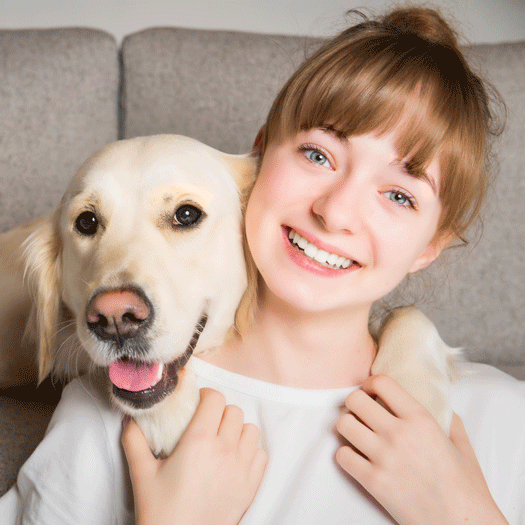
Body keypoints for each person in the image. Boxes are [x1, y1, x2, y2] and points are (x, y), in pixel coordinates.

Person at [1, 6, 524, 525]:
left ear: (431, 245)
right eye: (318, 155)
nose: (335, 211)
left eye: (400, 194)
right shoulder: (106, 414)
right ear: (260, 157)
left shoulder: (501, 417)